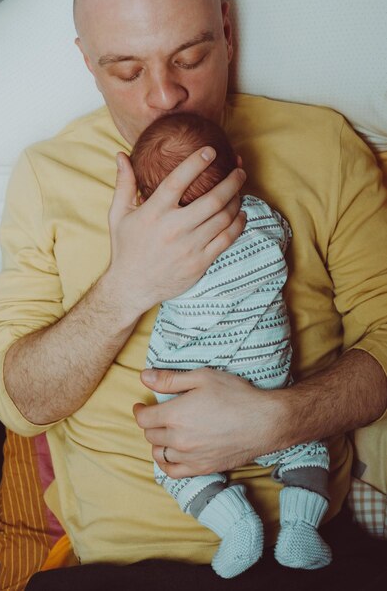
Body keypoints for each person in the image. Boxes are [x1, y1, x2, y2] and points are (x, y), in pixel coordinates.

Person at [0, 0, 387, 589]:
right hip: (121, 570)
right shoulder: (47, 177)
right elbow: (19, 404)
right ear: (87, 62)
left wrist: (282, 419)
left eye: (191, 57)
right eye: (126, 70)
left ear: (227, 33)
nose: (165, 95)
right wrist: (128, 285)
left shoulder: (322, 147)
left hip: (305, 553)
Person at [131, 111, 331, 577]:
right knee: (308, 446)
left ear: (145, 200)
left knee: (173, 465)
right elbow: (282, 236)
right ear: (238, 165)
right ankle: (301, 527)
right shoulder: (260, 218)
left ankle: (237, 525)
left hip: (188, 390)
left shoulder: (159, 248)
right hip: (269, 384)